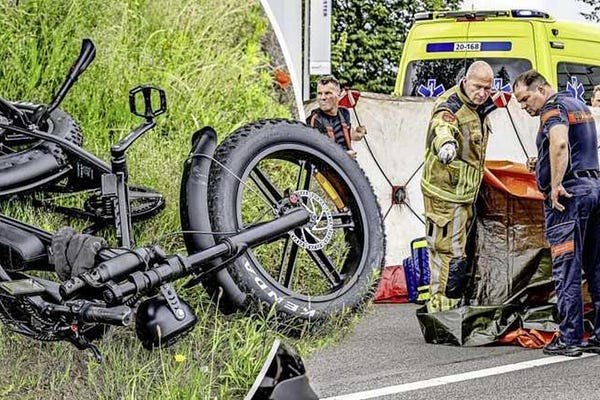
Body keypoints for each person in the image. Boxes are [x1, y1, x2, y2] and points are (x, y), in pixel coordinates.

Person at [513, 69, 600, 357]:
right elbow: (572, 147)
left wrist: (555, 185)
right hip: (593, 189)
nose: (523, 106)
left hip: (569, 198)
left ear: (540, 89)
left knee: (567, 267)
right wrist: (541, 163)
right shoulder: (578, 105)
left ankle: (570, 337)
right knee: (596, 267)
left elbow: (560, 142)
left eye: (525, 99)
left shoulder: (552, 108)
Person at [420, 61, 496, 313]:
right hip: (445, 195)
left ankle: (453, 306)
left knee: (461, 251)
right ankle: (442, 310)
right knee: (448, 253)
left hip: (464, 195)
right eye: (477, 87)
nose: (482, 93)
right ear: (465, 81)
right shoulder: (450, 106)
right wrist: (446, 144)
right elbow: (442, 127)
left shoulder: (478, 107)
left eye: (487, 88)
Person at [306, 75, 367, 158]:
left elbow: (350, 134)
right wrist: (343, 155)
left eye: (327, 93)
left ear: (338, 94)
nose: (322, 97)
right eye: (319, 94)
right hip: (329, 164)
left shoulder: (344, 113)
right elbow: (315, 151)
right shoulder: (315, 119)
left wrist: (359, 134)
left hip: (348, 162)